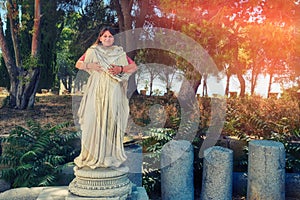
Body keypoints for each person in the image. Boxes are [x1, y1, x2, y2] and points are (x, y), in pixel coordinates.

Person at [74, 27, 137, 169]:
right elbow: (78, 64)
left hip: (113, 89)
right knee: (93, 120)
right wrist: (90, 65)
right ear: (100, 38)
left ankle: (109, 155)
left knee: (110, 120)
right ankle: (94, 155)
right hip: (95, 89)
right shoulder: (93, 50)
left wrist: (120, 69)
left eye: (110, 36)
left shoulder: (118, 52)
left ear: (114, 38)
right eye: (105, 36)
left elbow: (133, 66)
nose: (108, 38)